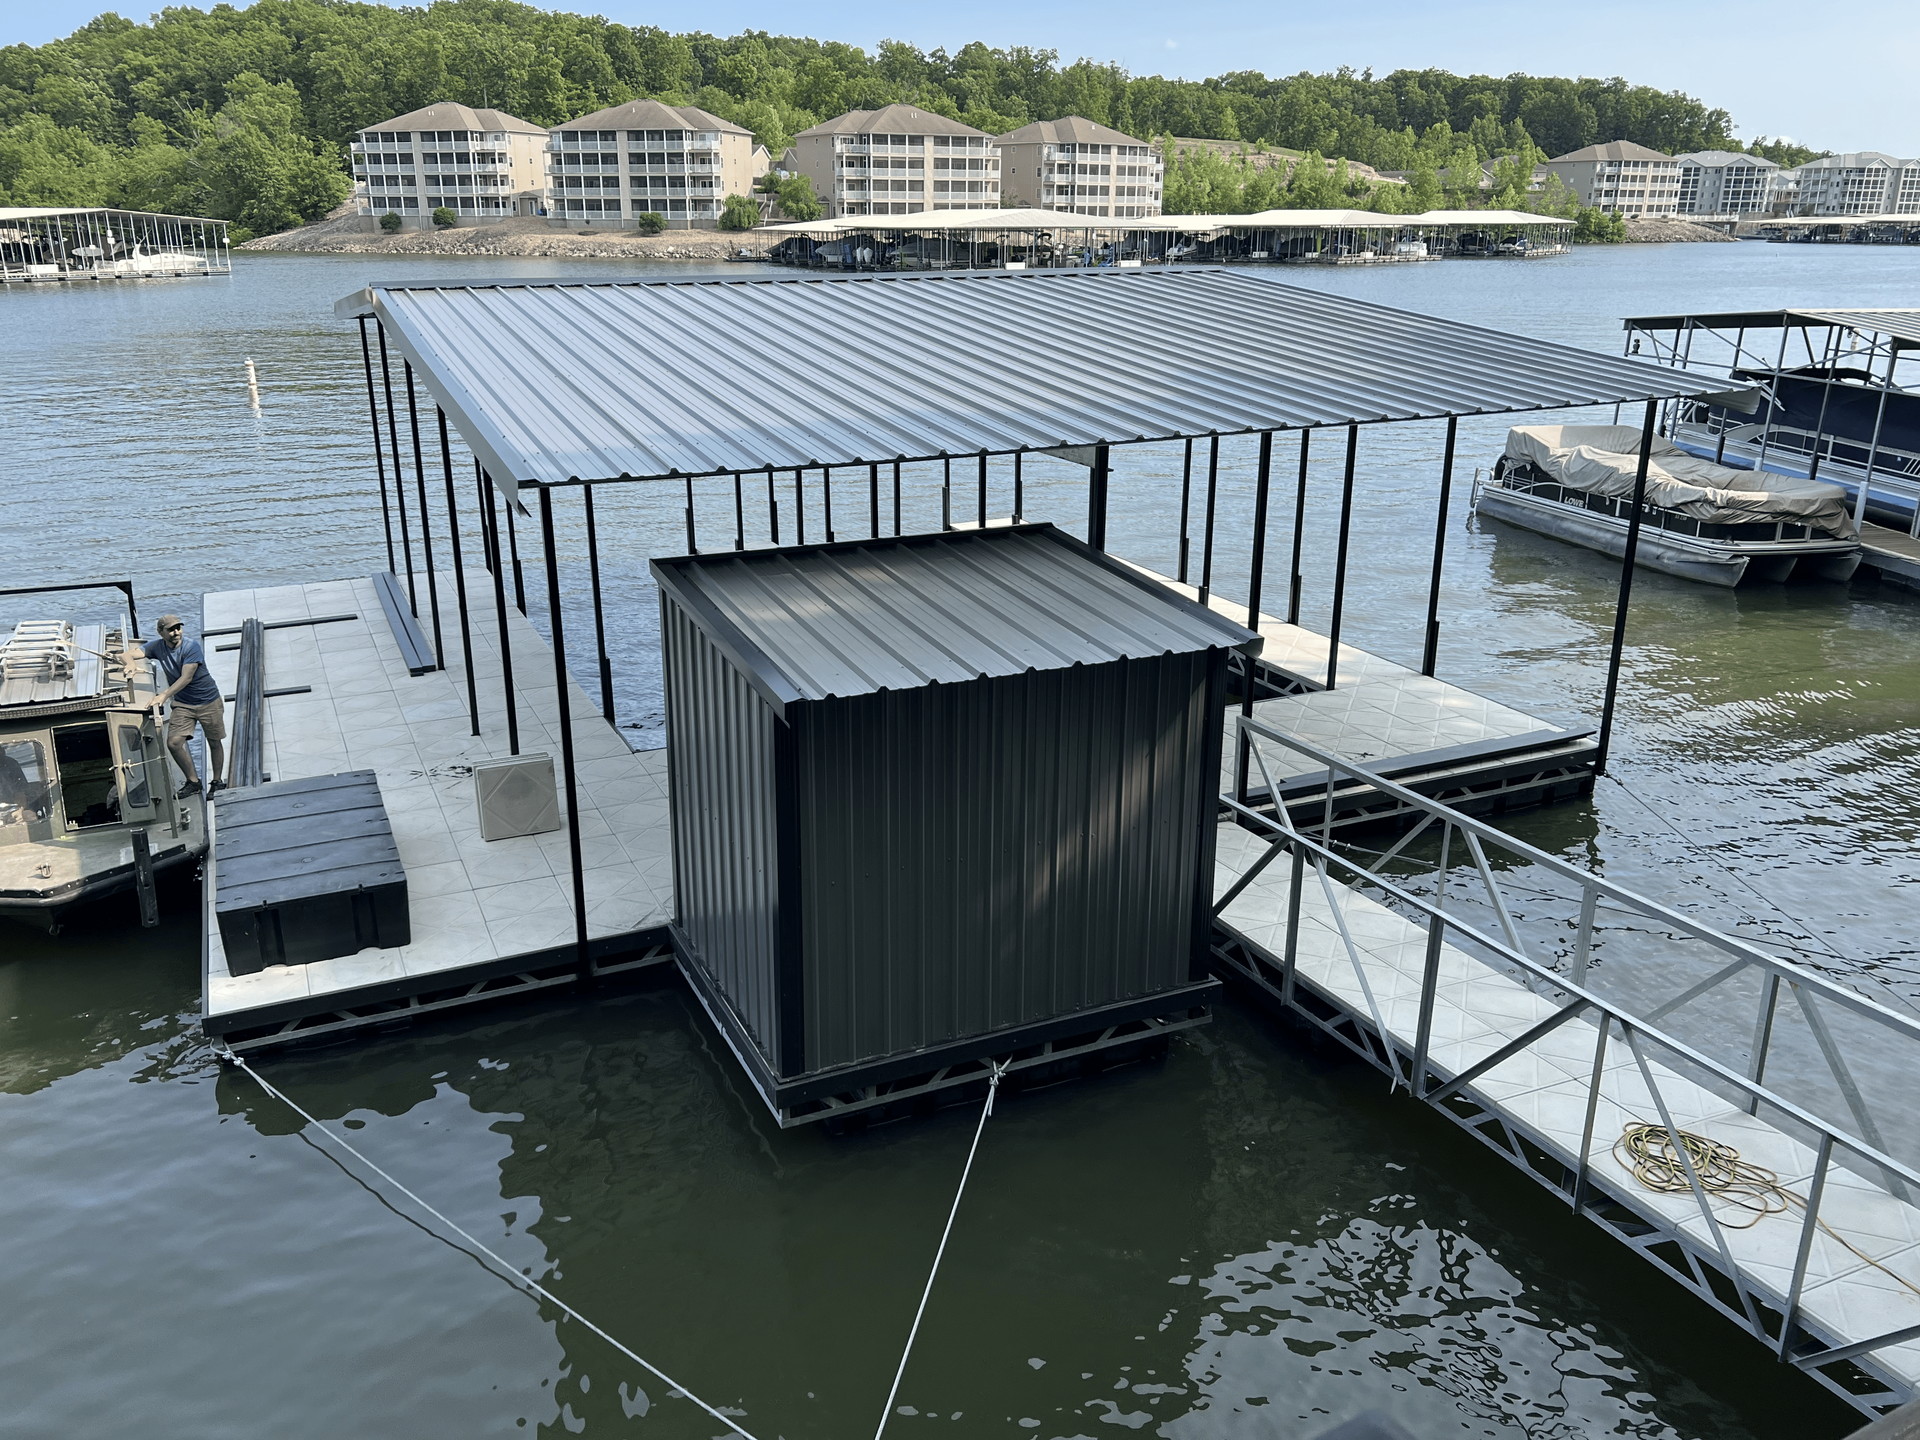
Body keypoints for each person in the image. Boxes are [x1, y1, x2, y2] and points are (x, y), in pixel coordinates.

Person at [143, 614, 227, 798]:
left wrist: (163, 695)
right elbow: (133, 653)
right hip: (184, 704)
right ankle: (193, 782)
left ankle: (217, 781)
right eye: (171, 630)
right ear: (160, 632)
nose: (176, 633)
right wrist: (128, 662)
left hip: (208, 701)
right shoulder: (157, 646)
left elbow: (186, 678)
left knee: (214, 741)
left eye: (178, 628)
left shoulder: (191, 647)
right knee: (173, 743)